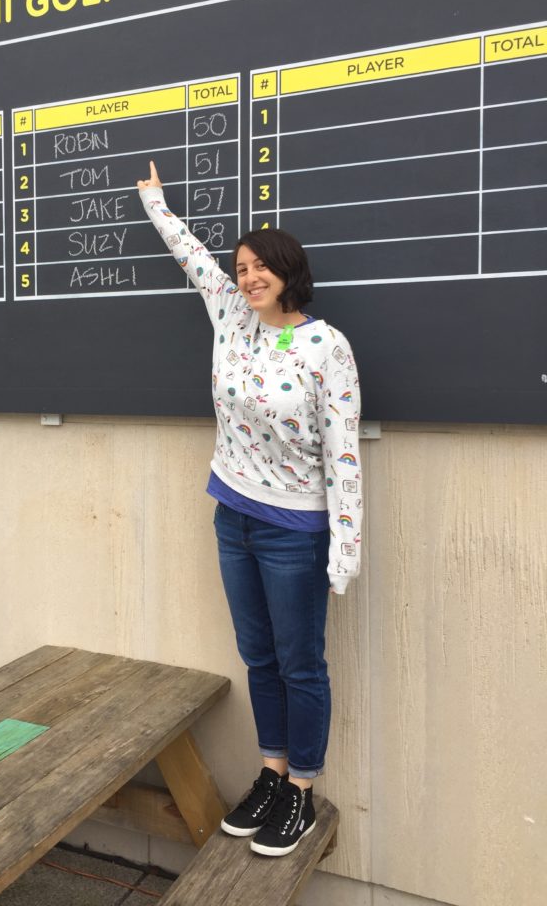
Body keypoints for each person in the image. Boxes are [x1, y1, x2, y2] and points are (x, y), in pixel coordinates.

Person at [136, 161, 362, 857]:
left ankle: (303, 789)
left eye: (261, 266)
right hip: (232, 515)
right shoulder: (232, 319)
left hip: (295, 529)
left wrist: (344, 549)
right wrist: (155, 203)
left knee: (300, 663)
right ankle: (272, 771)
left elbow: (343, 453)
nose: (248, 277)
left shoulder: (327, 347)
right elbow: (192, 258)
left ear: (289, 271)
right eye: (241, 268)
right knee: (258, 655)